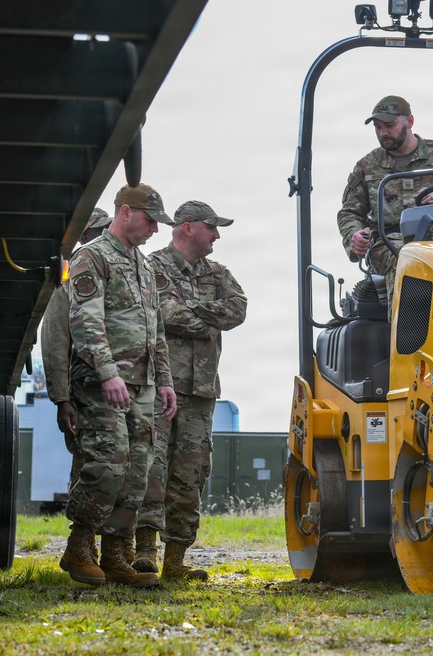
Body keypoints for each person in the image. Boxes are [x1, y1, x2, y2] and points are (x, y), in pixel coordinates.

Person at [58, 183, 178, 589]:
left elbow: (155, 329)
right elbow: (85, 321)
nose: (155, 231)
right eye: (150, 221)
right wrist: (108, 372)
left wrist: (164, 381)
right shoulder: (92, 256)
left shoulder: (144, 266)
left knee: (137, 470)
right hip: (101, 381)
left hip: (142, 385)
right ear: (125, 213)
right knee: (106, 463)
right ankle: (79, 546)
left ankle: (115, 554)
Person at [132, 200, 247, 581]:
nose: (217, 235)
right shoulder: (151, 266)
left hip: (201, 391)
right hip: (159, 384)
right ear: (188, 228)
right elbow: (161, 313)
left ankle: (176, 559)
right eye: (212, 227)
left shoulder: (219, 272)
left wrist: (189, 314)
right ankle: (144, 551)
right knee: (151, 465)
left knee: (191, 472)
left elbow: (238, 309)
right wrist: (205, 319)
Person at [336, 95, 433, 308]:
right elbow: (350, 213)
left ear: (409, 122)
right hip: (389, 241)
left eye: (389, 125)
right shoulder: (368, 165)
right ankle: (403, 336)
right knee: (407, 259)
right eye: (377, 127)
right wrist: (354, 236)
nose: (383, 133)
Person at [41, 206, 112, 490]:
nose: (106, 236)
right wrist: (62, 398)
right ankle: (81, 534)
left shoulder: (123, 274)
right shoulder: (69, 279)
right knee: (90, 469)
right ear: (84, 236)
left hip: (125, 390)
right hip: (87, 392)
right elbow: (55, 339)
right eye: (99, 231)